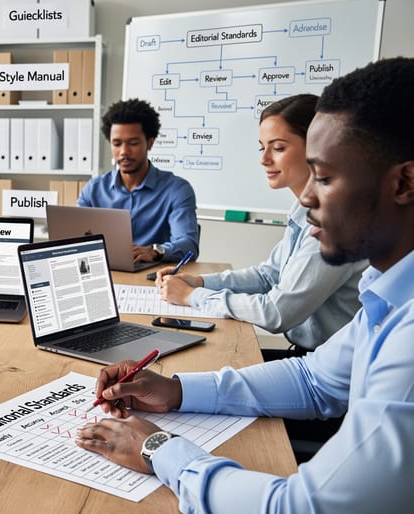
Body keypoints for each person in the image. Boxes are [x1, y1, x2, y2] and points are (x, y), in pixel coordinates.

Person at [75, 57, 414, 512]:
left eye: (326, 178)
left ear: (405, 182)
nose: (308, 198)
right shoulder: (387, 290)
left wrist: (159, 449)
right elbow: (315, 379)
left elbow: (301, 507)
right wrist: (174, 390)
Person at [156, 94, 366, 354]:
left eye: (277, 148)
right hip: (309, 359)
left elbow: (277, 313)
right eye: (262, 147)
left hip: (331, 371)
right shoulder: (304, 208)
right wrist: (199, 282)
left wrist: (190, 297)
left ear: (318, 148)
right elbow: (268, 275)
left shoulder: (334, 223)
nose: (264, 159)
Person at [78, 98, 198, 263]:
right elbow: (73, 238)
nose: (124, 152)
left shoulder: (177, 190)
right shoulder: (94, 189)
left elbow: (189, 245)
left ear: (150, 142)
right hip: (107, 275)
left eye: (133, 143)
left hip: (154, 278)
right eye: (117, 144)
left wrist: (155, 251)